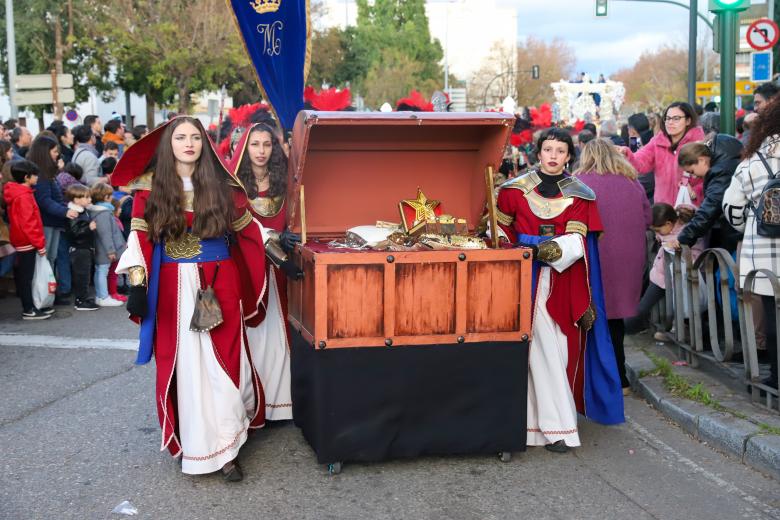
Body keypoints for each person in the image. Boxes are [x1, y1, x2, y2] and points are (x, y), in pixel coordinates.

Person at [113, 117, 268, 481]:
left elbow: (252, 231)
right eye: (180, 137)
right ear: (168, 144)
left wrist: (281, 250)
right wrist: (137, 285)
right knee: (186, 368)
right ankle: (199, 446)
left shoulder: (221, 186)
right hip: (172, 288)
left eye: (195, 137)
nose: (188, 143)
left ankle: (228, 447)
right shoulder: (148, 190)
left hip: (219, 282)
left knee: (225, 365)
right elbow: (138, 241)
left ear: (205, 143)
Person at [496, 128, 624, 453]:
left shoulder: (581, 194)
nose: (553, 156)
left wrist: (540, 250)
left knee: (555, 350)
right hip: (521, 278)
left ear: (569, 156)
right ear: (538, 152)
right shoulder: (513, 191)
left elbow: (578, 241)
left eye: (560, 151)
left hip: (561, 280)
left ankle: (558, 427)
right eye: (548, 149)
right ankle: (544, 428)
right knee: (534, 351)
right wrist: (504, 240)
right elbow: (499, 230)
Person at [230, 122, 300, 421]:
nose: (260, 151)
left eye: (266, 144)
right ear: (246, 147)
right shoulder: (234, 186)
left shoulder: (285, 182)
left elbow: (295, 221)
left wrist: (290, 240)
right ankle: (255, 403)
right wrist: (276, 249)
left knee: (282, 334)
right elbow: (243, 229)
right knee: (256, 335)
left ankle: (281, 404)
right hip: (250, 269)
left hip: (282, 270)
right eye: (255, 144)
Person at [574, 139, 650, 392]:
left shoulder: (579, 183)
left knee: (589, 316)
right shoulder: (631, 181)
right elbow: (648, 217)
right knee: (615, 319)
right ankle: (620, 377)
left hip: (594, 255)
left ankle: (594, 378)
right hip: (627, 257)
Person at [723, 98, 780, 391]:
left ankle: (776, 377)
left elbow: (732, 209)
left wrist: (751, 225)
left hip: (766, 253)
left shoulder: (752, 162)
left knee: (771, 313)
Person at [625, 203, 704, 335]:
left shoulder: (687, 233)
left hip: (678, 276)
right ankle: (628, 327)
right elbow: (663, 234)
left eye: (657, 230)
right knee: (645, 307)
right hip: (662, 275)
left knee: (682, 308)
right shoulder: (669, 229)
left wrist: (677, 246)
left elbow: (695, 255)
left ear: (668, 223)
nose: (657, 234)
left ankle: (679, 332)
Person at [668, 137, 743, 253]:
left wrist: (684, 238)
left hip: (735, 233)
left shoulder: (721, 173)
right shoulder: (726, 162)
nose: (694, 177)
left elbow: (709, 209)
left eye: (692, 171)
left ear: (702, 160)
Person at [623, 102, 705, 207]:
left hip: (690, 210)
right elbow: (640, 160)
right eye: (668, 118)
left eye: (676, 118)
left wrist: (694, 193)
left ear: (688, 120)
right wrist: (627, 155)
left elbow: (708, 178)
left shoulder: (699, 143)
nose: (670, 122)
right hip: (663, 211)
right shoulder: (657, 141)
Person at [3, 160, 52, 320]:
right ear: (26, 177)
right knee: (26, 277)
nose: (37, 178)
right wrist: (40, 244)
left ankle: (30, 306)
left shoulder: (19, 193)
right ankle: (28, 309)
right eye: (34, 175)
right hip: (26, 242)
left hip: (22, 240)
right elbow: (28, 224)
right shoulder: (23, 197)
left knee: (25, 276)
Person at [28, 136, 77, 272]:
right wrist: (65, 211)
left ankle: (48, 291)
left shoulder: (47, 173)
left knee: (51, 259)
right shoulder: (41, 175)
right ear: (45, 153)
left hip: (53, 222)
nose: (57, 155)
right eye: (54, 151)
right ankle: (44, 291)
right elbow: (44, 200)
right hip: (47, 223)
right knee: (46, 260)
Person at [88, 183, 126, 307]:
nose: (112, 197)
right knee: (102, 271)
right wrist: (110, 250)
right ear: (105, 197)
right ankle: (103, 296)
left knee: (101, 271)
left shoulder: (100, 211)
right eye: (110, 195)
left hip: (102, 248)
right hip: (104, 250)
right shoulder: (104, 213)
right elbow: (106, 234)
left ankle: (102, 296)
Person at [64, 184, 99, 311]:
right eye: (86, 197)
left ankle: (83, 297)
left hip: (85, 248)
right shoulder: (74, 213)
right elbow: (75, 232)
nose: (90, 199)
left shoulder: (83, 211)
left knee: (85, 275)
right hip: (79, 249)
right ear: (76, 199)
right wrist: (88, 228)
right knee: (81, 275)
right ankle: (80, 301)